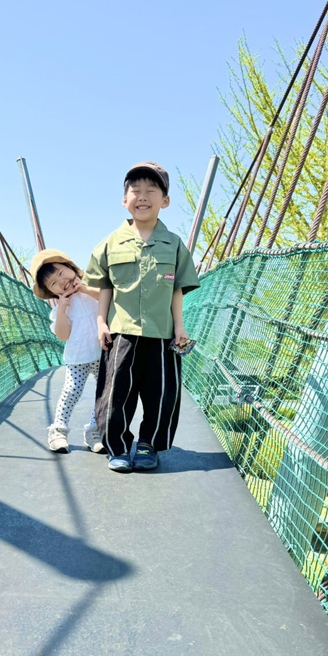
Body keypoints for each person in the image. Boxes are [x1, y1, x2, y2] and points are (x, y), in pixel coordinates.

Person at [84, 162, 200, 472]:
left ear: (165, 201)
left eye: (152, 191)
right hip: (121, 332)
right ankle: (118, 448)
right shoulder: (110, 243)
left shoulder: (174, 244)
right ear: (125, 200)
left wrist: (180, 327)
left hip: (162, 335)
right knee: (115, 395)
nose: (143, 197)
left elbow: (177, 290)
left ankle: (148, 445)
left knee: (161, 396)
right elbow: (104, 286)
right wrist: (100, 321)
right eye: (135, 191)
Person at [30, 250, 106, 454]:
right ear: (52, 292)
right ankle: (58, 430)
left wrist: (86, 289)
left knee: (104, 394)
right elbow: (63, 336)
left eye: (63, 273)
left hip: (102, 355)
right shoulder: (60, 310)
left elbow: (108, 299)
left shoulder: (92, 292)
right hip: (77, 359)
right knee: (71, 391)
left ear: (72, 269)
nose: (62, 282)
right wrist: (62, 310)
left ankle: (94, 431)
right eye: (54, 283)